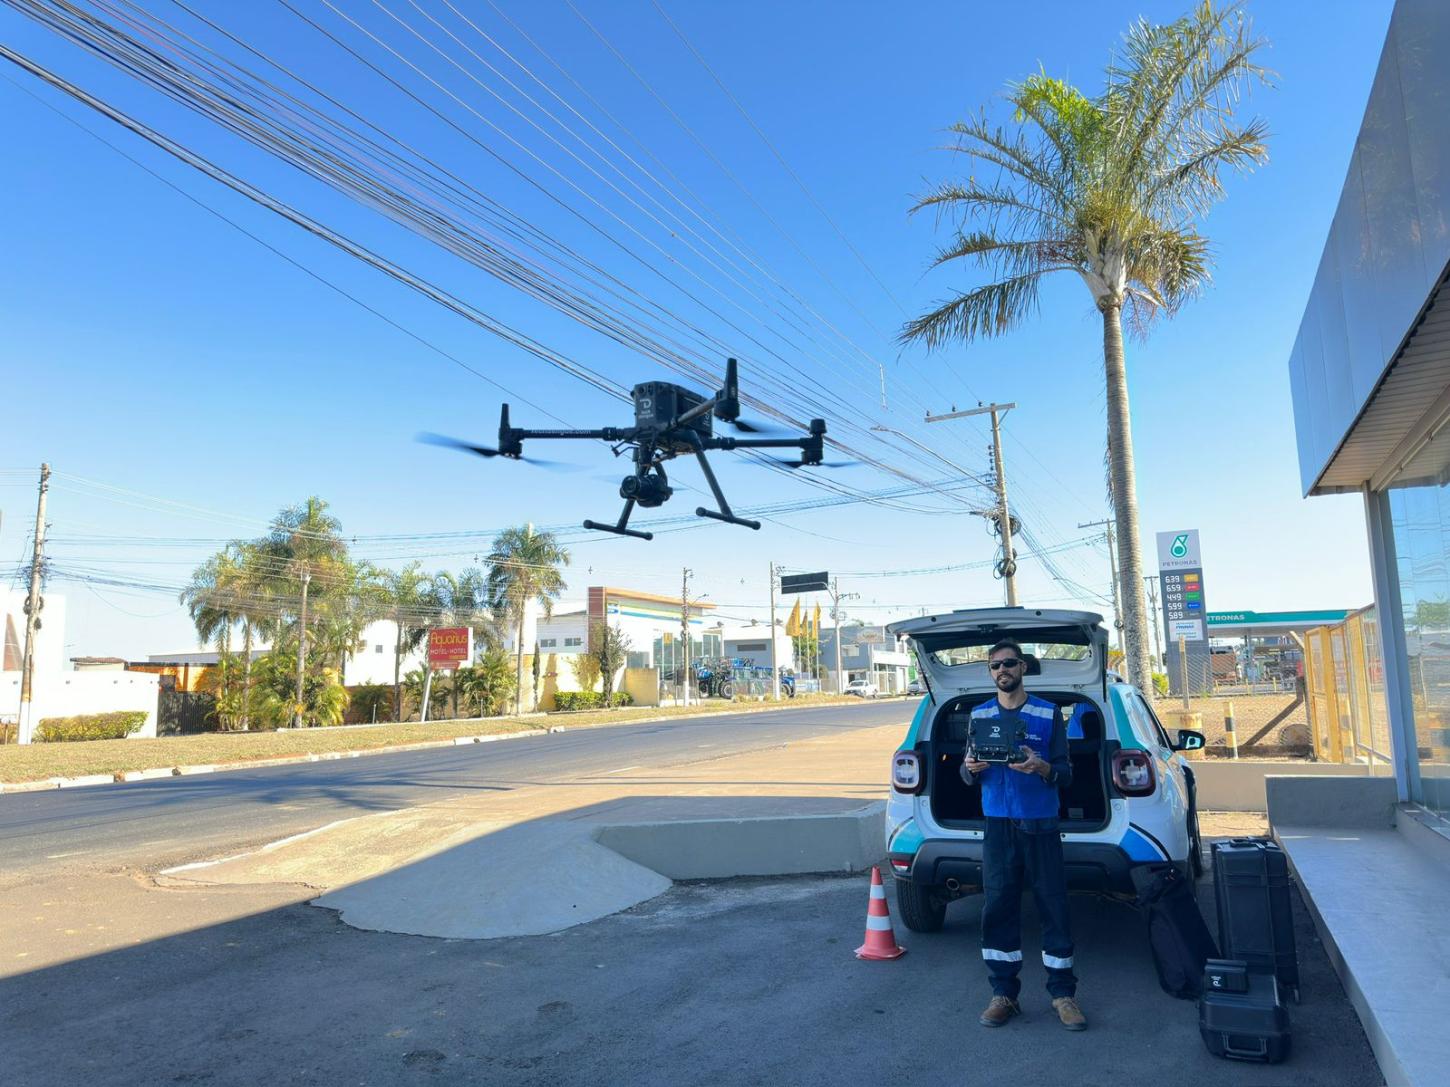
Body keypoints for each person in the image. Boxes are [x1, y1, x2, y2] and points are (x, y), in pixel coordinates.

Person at [961, 638, 1085, 1031]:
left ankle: (1063, 995)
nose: (1002, 671)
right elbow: (965, 774)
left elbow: (1066, 774)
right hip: (997, 826)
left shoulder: (1048, 714)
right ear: (990, 672)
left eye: (1009, 663)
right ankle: (1004, 995)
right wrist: (969, 767)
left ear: (1023, 667)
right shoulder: (978, 715)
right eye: (995, 665)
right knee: (997, 910)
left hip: (1040, 824)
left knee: (1054, 908)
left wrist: (1042, 768)